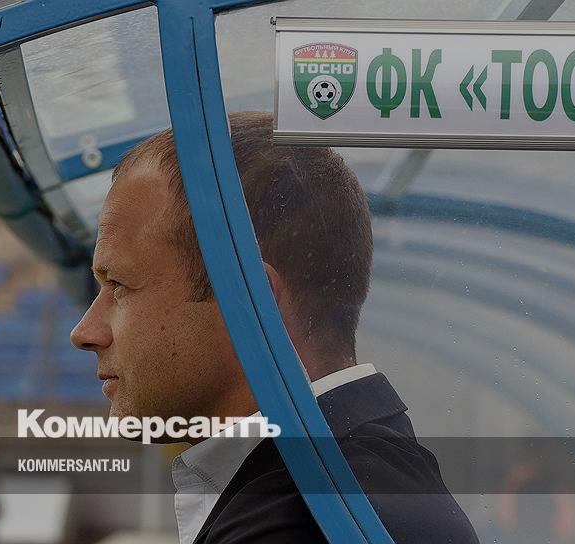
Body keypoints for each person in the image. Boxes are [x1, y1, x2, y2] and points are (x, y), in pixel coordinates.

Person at [70, 111, 478, 543]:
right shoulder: (354, 482)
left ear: (250, 301)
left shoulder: (303, 519)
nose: (84, 332)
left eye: (119, 285)